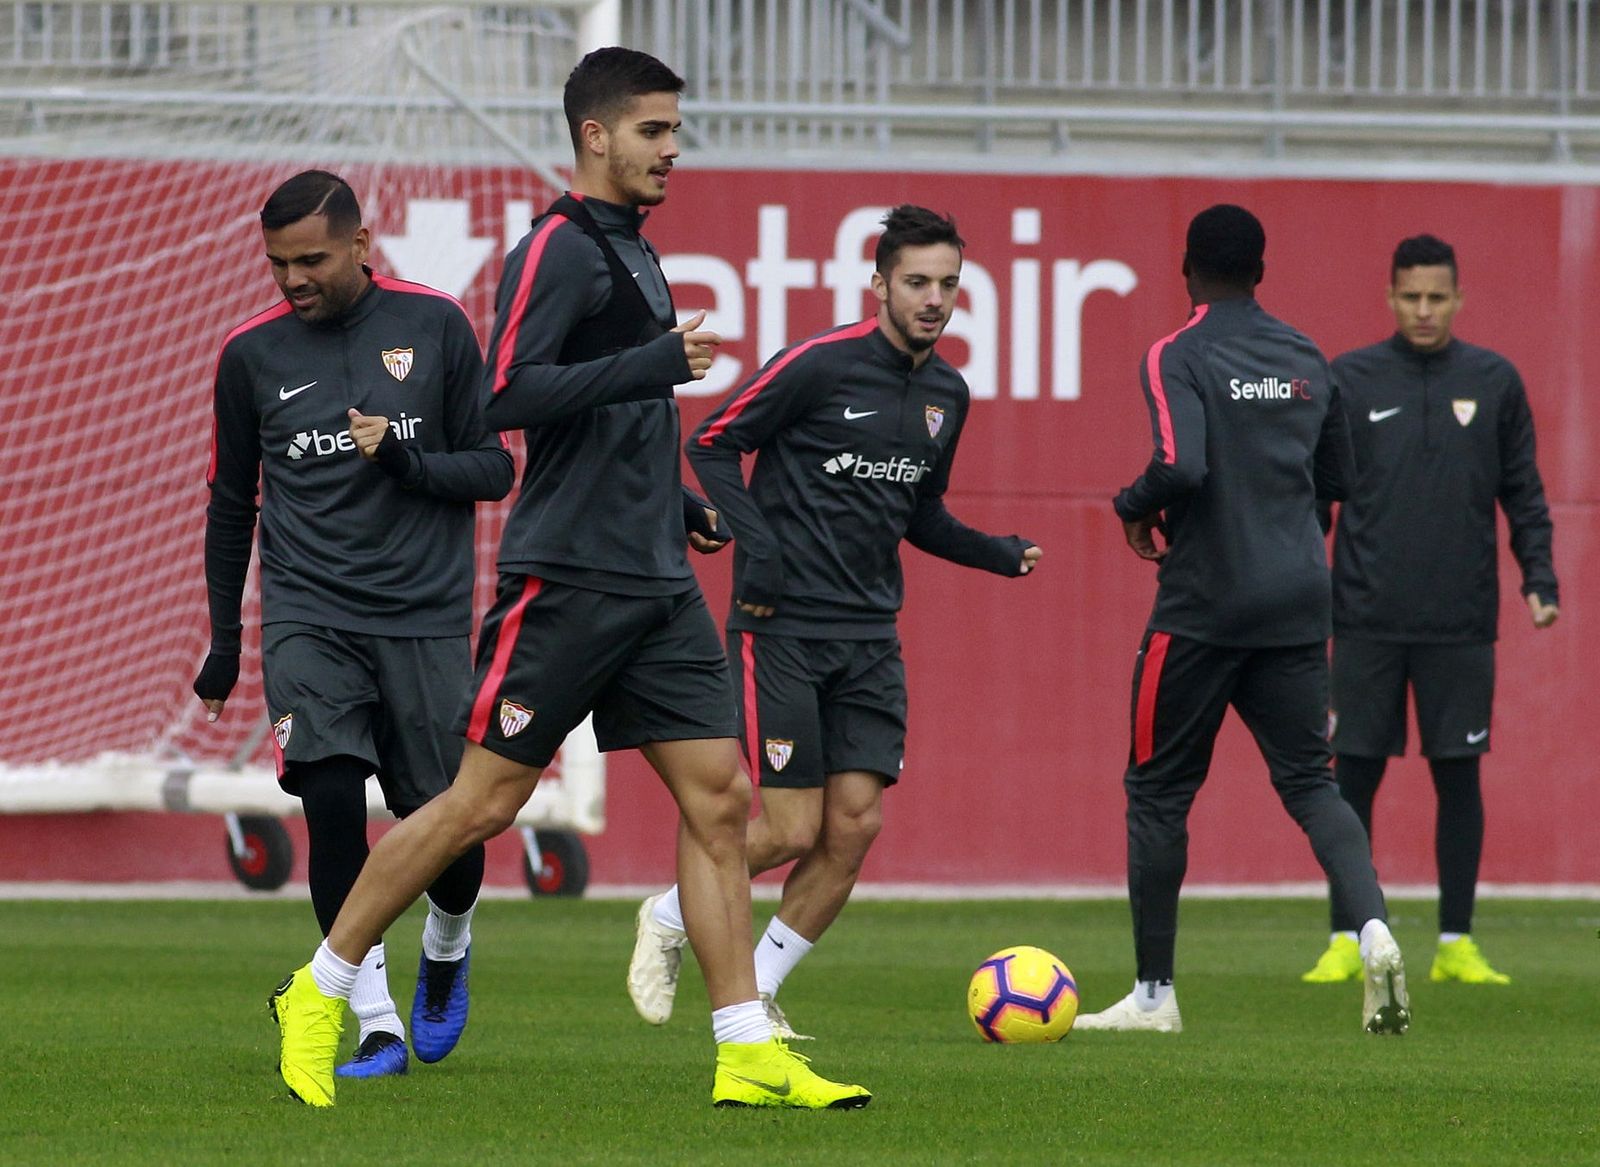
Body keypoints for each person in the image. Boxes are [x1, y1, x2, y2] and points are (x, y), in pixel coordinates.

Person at [265, 47, 870, 1111]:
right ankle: (319, 989)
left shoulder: (634, 252)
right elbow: (506, 393)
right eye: (653, 131)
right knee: (482, 804)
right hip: (572, 579)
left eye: (674, 130)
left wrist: (678, 505)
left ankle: (743, 1047)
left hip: (653, 576)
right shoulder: (558, 245)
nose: (671, 149)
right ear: (595, 135)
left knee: (721, 804)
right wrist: (651, 366)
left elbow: (614, 419)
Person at [626, 205, 1042, 1039]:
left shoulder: (946, 396)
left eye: (948, 284)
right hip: (780, 627)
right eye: (917, 281)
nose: (934, 298)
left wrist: (996, 552)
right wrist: (758, 542)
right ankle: (671, 912)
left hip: (869, 636)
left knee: (854, 826)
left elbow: (921, 514)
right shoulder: (819, 365)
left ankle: (766, 987)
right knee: (788, 826)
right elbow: (711, 441)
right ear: (879, 283)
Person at [197, 170, 514, 1079]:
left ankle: (448, 946)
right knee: (332, 804)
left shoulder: (437, 325)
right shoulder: (249, 354)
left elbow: (495, 470)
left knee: (445, 827)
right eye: (277, 264)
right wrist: (226, 640)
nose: (292, 280)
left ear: (362, 244)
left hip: (420, 619)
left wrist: (410, 461)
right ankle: (373, 1019)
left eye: (311, 260)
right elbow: (231, 501)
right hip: (308, 613)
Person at [1075, 204, 1409, 1036]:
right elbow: (1341, 476)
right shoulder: (1306, 357)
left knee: (1156, 792)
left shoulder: (1175, 353)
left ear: (1186, 269)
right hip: (1298, 602)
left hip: (1201, 606)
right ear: (1261, 269)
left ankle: (1154, 996)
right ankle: (1373, 929)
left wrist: (1129, 505)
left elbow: (1180, 464)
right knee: (1311, 783)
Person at [1300, 235, 1560, 987]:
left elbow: (1525, 494)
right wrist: (1292, 578)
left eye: (1436, 297)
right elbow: (1315, 500)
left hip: (1460, 621)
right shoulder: (1349, 379)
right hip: (1364, 618)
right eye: (1410, 296)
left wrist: (1538, 576)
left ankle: (1457, 940)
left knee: (1459, 775)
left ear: (1458, 299)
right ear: (1389, 296)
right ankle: (1348, 936)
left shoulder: (1495, 381)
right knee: (1351, 780)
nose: (1423, 309)